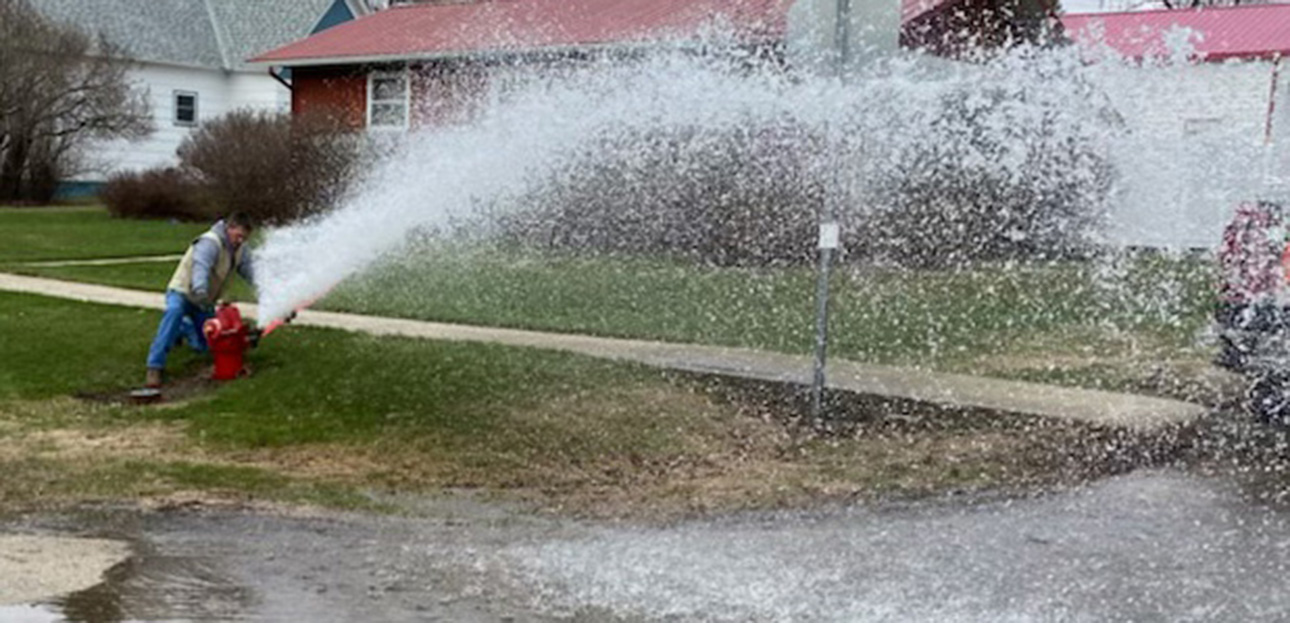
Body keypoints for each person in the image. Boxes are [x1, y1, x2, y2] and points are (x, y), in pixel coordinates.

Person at [145, 213, 256, 387]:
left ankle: (184, 328)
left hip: (204, 302)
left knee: (206, 346)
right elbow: (200, 267)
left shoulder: (241, 250)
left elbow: (252, 274)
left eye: (244, 237)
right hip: (183, 293)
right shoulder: (209, 242)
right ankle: (155, 366)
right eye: (238, 236)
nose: (240, 241)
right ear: (229, 228)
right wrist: (201, 290)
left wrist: (269, 292)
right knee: (174, 312)